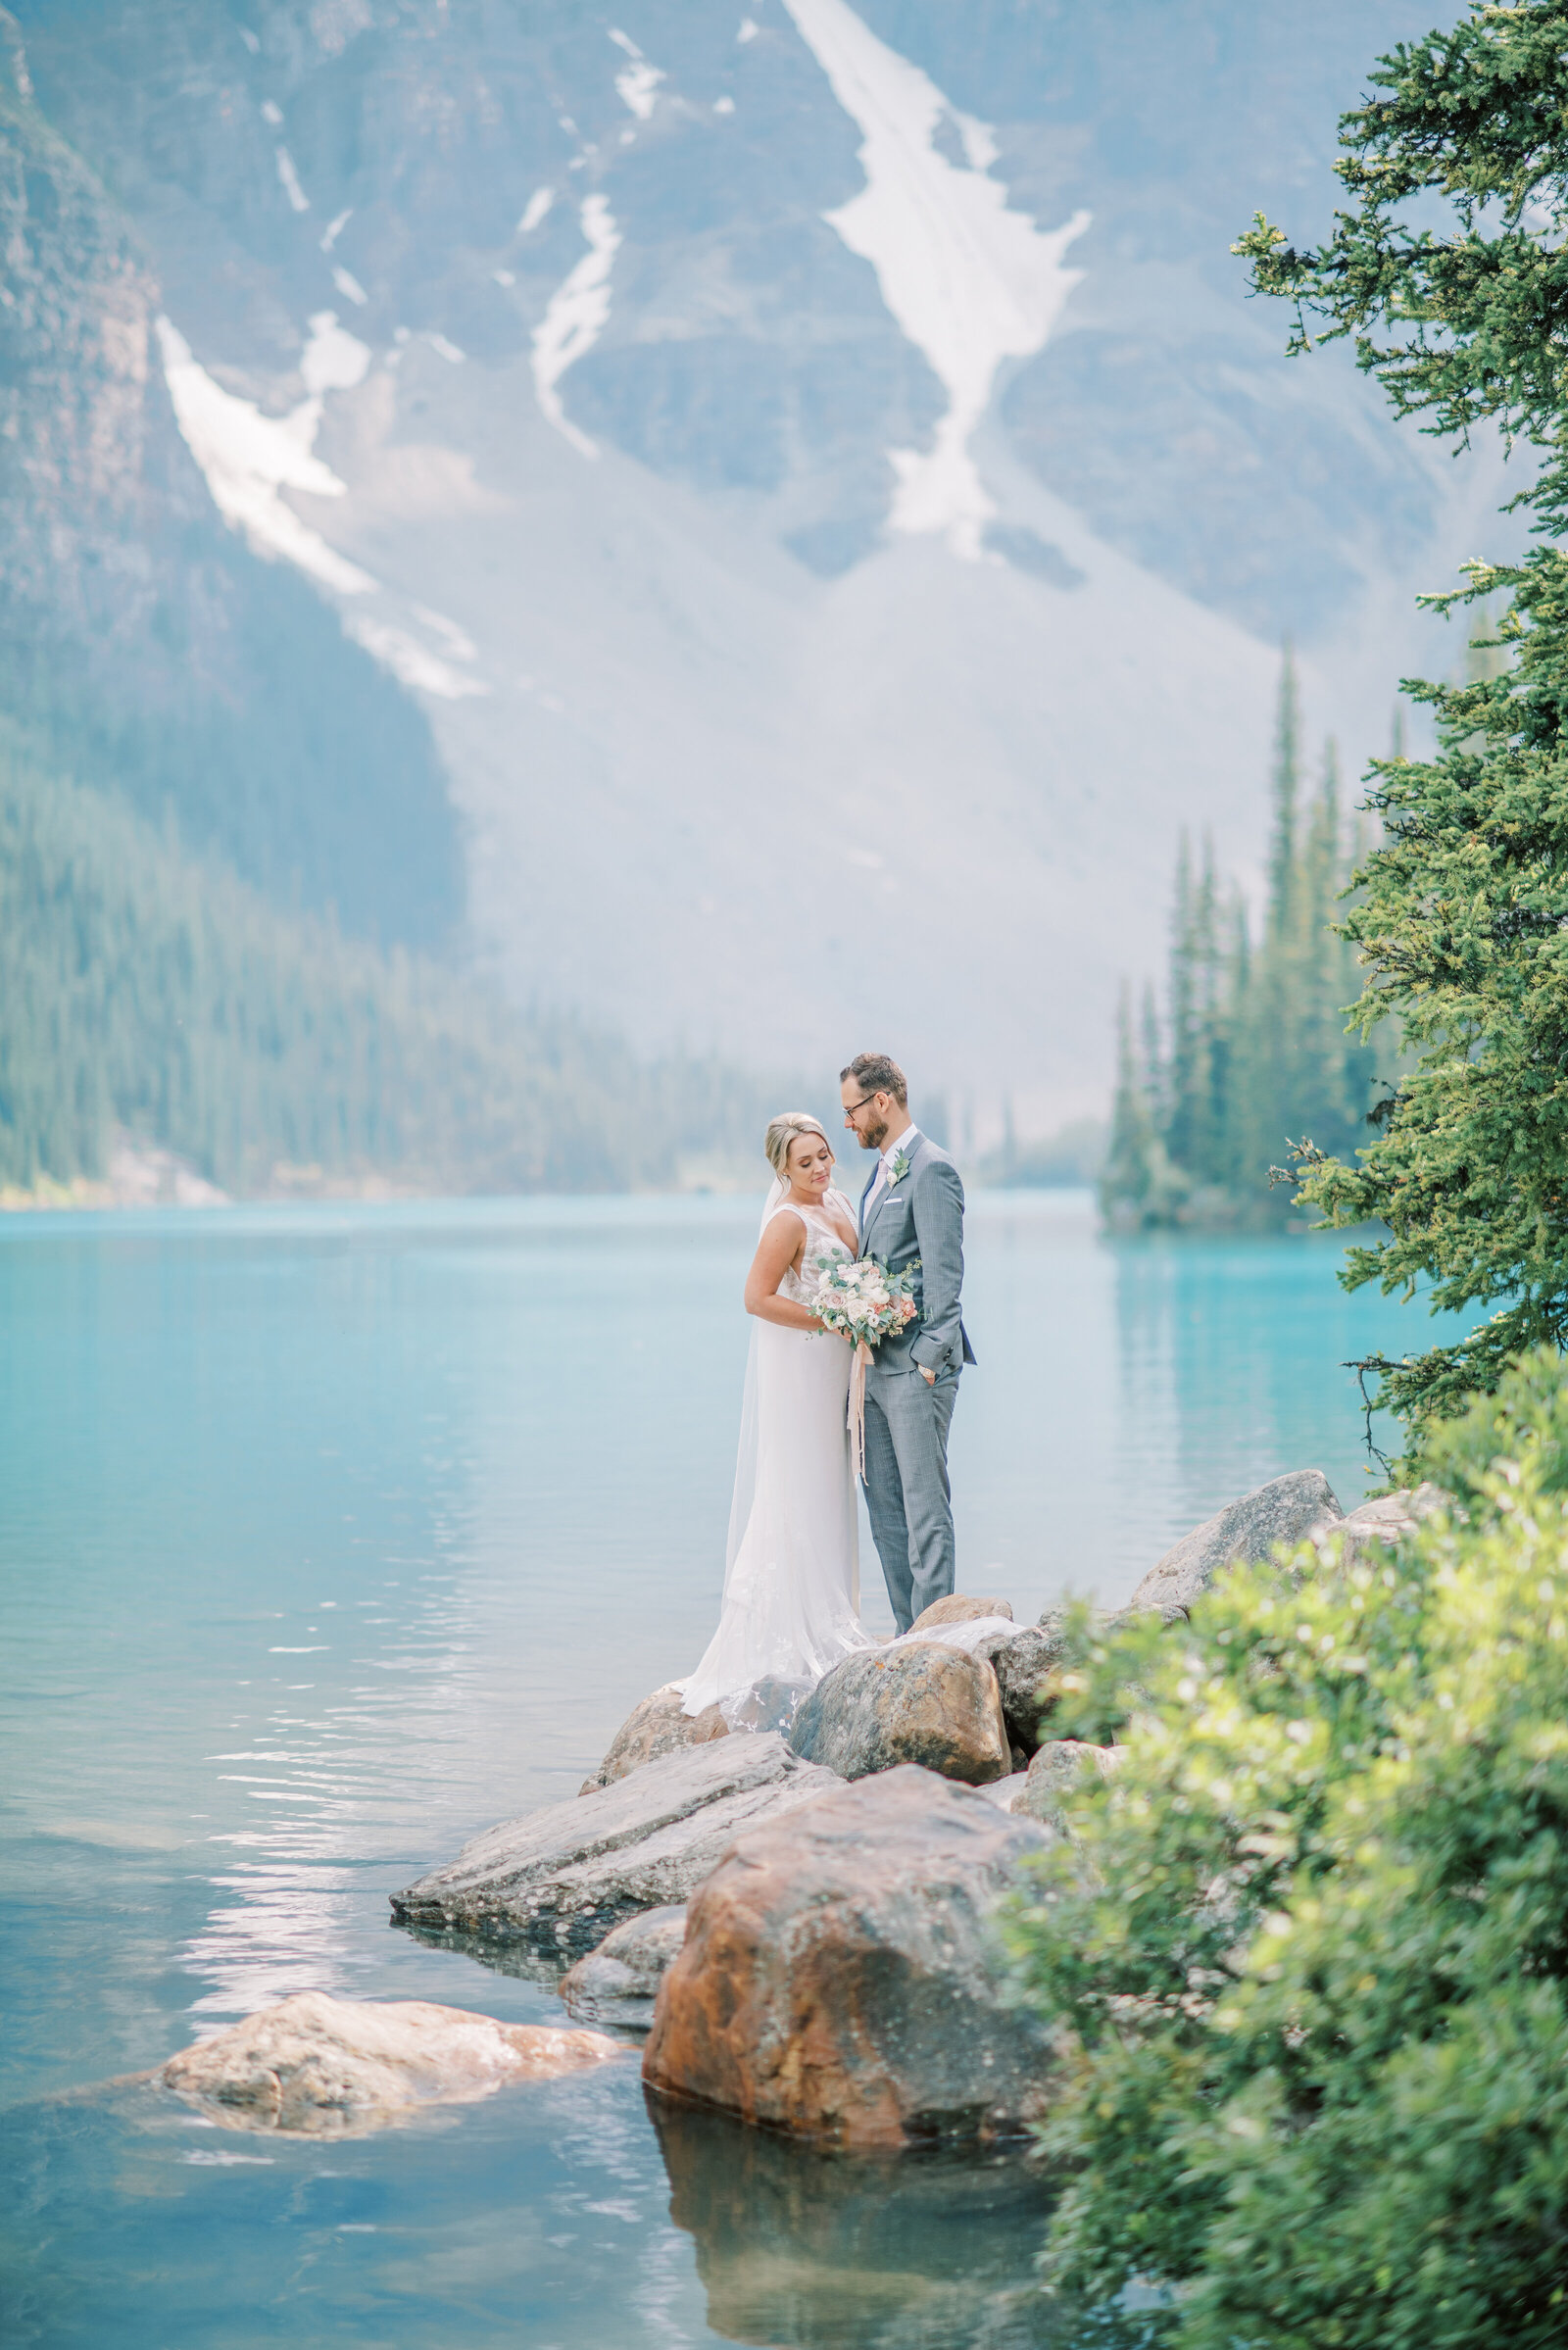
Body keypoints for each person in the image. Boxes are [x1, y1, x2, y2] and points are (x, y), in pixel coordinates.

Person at [679, 1112, 874, 1723]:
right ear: (782, 1170)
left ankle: (837, 1608)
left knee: (832, 1482)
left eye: (824, 1155)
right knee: (799, 1480)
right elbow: (756, 1298)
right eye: (805, 1163)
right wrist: (830, 1319)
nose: (820, 1169)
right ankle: (792, 1626)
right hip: (810, 1366)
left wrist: (864, 1305)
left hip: (844, 1362)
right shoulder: (787, 1221)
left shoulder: (839, 1198)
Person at [840, 1051, 974, 1634]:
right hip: (873, 1371)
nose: (848, 1124)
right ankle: (905, 1635)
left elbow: (946, 1277)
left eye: (852, 1111)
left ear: (882, 1101)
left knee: (925, 1513)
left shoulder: (932, 1168)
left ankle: (937, 1639)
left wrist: (927, 1362)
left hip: (917, 1371)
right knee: (886, 1515)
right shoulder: (881, 1171)